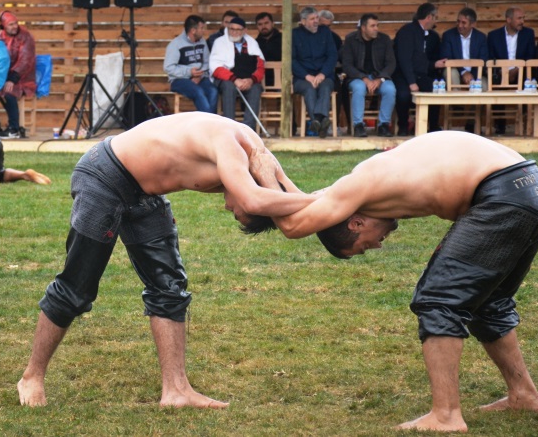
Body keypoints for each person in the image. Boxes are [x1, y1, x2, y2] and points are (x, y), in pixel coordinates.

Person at [251, 131, 538, 433]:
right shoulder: (356, 190)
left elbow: (292, 226)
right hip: (532, 186)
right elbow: (309, 202)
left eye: (365, 245)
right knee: (488, 303)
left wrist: (266, 174)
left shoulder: (356, 187)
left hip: (502, 196)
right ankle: (524, 395)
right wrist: (277, 175)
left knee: (438, 300)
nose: (379, 245)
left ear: (356, 223)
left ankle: (446, 416)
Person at [16, 112, 314, 409]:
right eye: (235, 209)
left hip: (143, 191)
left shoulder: (260, 159)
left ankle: (176, 391)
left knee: (169, 287)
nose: (227, 205)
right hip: (104, 174)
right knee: (76, 288)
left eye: (233, 209)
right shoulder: (236, 150)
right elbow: (256, 201)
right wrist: (323, 198)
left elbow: (291, 203)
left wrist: (333, 202)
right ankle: (32, 376)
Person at [392, 2, 446, 136]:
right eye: (435, 17)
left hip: (419, 74)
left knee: (435, 91)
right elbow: (404, 59)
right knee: (403, 95)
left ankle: (432, 127)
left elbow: (419, 61)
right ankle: (403, 126)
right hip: (402, 75)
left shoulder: (428, 34)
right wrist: (411, 82)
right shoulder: (407, 31)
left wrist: (434, 65)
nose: (435, 21)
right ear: (429, 17)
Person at [340, 13, 396, 137]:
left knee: (390, 89)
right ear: (363, 28)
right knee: (359, 88)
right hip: (357, 77)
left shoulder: (384, 39)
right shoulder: (351, 39)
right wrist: (363, 78)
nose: (376, 28)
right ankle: (358, 125)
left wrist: (380, 78)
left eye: (377, 25)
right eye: (373, 26)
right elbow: (347, 65)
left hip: (380, 77)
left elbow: (391, 63)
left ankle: (384, 125)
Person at [210, 17, 265, 130]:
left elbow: (260, 67)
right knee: (229, 87)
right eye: (231, 29)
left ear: (244, 30)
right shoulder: (219, 43)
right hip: (227, 80)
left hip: (248, 80)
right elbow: (216, 68)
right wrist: (234, 79)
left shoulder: (252, 43)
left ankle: (248, 128)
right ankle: (229, 128)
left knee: (256, 88)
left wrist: (251, 80)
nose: (234, 32)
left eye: (238, 30)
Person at [487, 7, 536, 135]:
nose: (522, 21)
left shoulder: (528, 33)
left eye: (523, 18)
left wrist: (516, 69)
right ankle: (499, 124)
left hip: (522, 71)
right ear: (508, 20)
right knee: (495, 82)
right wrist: (503, 71)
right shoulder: (494, 35)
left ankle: (525, 122)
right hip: (500, 72)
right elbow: (491, 57)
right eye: (519, 18)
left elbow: (530, 56)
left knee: (529, 80)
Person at [0, 11, 36, 139]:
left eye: (15, 23)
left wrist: (12, 79)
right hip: (4, 76)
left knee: (9, 93)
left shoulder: (26, 36)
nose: (14, 26)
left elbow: (26, 62)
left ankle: (14, 129)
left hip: (23, 77)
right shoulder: (0, 38)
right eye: (10, 24)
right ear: (3, 26)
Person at [440, 7, 488, 132]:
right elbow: (447, 58)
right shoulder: (448, 35)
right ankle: (457, 105)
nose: (459, 25)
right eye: (458, 21)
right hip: (456, 71)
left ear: (473, 24)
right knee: (451, 72)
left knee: (484, 85)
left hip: (474, 74)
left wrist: (472, 75)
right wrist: (463, 72)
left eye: (463, 23)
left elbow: (483, 60)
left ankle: (472, 122)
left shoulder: (481, 37)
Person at [292, 7, 338, 137]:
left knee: (325, 87)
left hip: (324, 75)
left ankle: (316, 121)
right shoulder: (295, 34)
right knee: (309, 89)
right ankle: (322, 122)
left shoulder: (325, 32)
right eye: (312, 19)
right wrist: (307, 76)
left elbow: (332, 55)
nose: (316, 21)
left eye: (317, 18)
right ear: (303, 21)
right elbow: (292, 60)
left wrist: (322, 74)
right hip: (302, 78)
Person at [164, 15, 218, 114]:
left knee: (213, 91)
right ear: (193, 30)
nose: (203, 31)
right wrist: (189, 72)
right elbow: (169, 67)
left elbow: (207, 62)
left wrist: (199, 75)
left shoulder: (202, 42)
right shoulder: (175, 44)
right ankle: (207, 124)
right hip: (179, 80)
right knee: (198, 92)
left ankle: (208, 122)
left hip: (200, 77)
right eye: (201, 28)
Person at [255, 12, 282, 86]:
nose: (263, 26)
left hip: (281, 80)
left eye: (266, 23)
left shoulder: (284, 40)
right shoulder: (254, 44)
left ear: (272, 24)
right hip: (261, 81)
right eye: (260, 24)